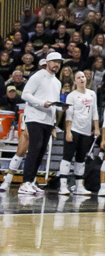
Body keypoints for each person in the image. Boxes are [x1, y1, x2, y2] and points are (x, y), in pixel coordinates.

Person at [16, 52, 63, 197]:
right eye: (54, 61)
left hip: (48, 120)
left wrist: (58, 112)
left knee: (41, 151)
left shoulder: (57, 82)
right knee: (34, 149)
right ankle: (25, 182)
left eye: (59, 62)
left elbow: (53, 102)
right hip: (35, 118)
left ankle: (31, 181)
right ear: (47, 62)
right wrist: (42, 103)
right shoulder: (38, 76)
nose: (57, 64)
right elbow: (25, 94)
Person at [61, 70, 99, 196]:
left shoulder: (92, 94)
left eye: (83, 77)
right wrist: (68, 132)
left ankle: (78, 186)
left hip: (86, 131)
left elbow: (94, 112)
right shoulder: (72, 96)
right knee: (67, 157)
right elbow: (69, 115)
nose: (82, 79)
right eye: (79, 77)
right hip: (74, 129)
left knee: (81, 159)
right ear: (75, 81)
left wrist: (96, 128)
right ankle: (63, 185)